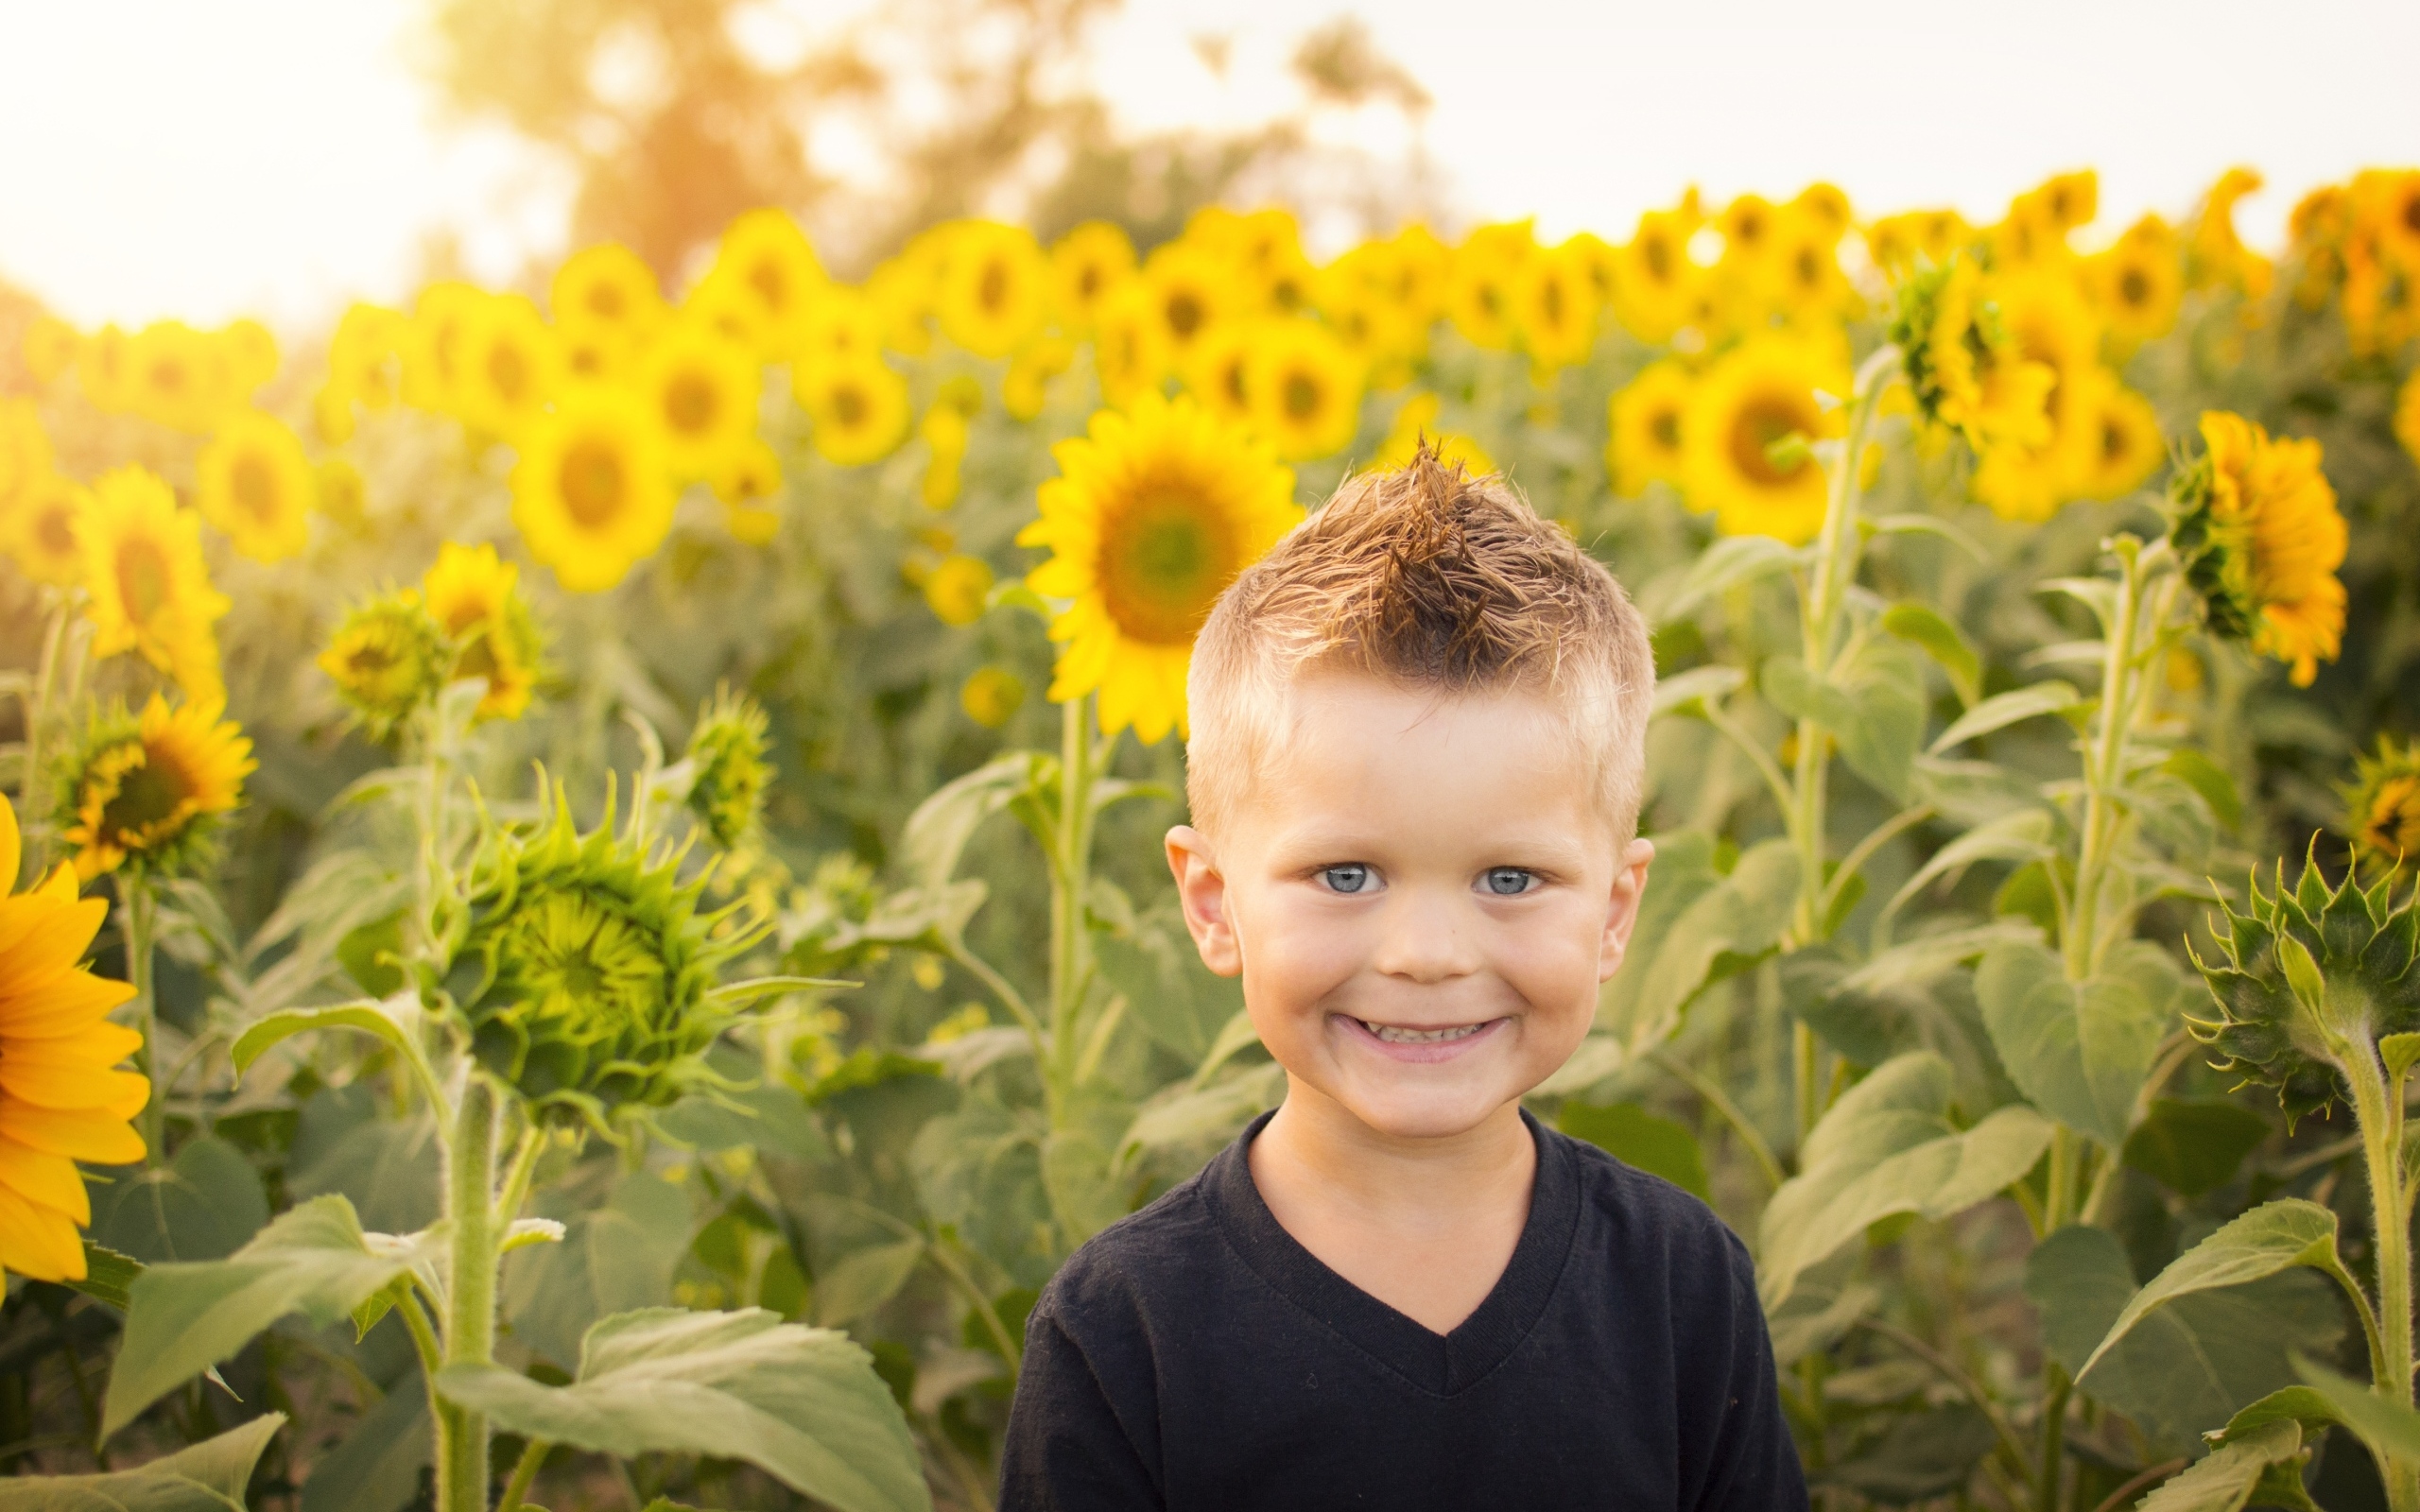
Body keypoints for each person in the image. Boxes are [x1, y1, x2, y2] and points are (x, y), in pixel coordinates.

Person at [998, 445, 1806, 1511]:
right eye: (1346, 873)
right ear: (1211, 902)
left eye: (1509, 877)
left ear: (1614, 913)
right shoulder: (1124, 1332)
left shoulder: (1679, 1290)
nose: (1426, 953)